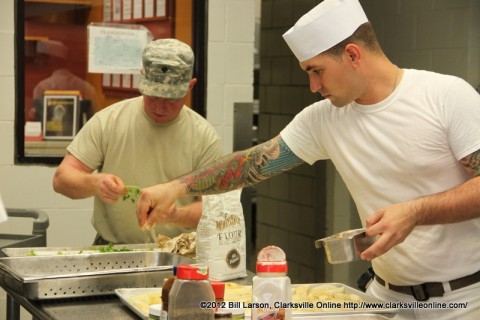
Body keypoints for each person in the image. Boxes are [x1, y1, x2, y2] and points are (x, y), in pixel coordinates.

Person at [135, 1, 480, 319]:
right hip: (383, 300)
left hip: (464, 300)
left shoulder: (445, 97)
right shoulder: (324, 118)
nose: (313, 86)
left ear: (352, 55)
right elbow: (253, 163)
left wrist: (416, 211)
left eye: (317, 71)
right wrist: (177, 186)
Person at [53, 38, 223, 244]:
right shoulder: (109, 121)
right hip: (112, 250)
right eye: (153, 95)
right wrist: (95, 183)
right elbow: (61, 180)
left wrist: (175, 214)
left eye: (171, 98)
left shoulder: (204, 137)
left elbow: (216, 210)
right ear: (141, 79)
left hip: (177, 253)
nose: (160, 107)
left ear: (190, 86)